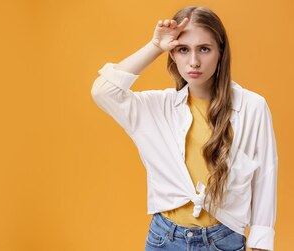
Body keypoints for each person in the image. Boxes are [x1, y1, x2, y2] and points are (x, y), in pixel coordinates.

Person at [90, 6, 278, 251]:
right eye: (183, 50)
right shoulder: (156, 108)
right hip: (164, 239)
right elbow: (103, 91)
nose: (194, 61)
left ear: (221, 52)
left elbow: (265, 178)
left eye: (204, 49)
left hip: (224, 240)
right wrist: (155, 46)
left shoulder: (252, 107)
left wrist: (261, 244)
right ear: (172, 54)